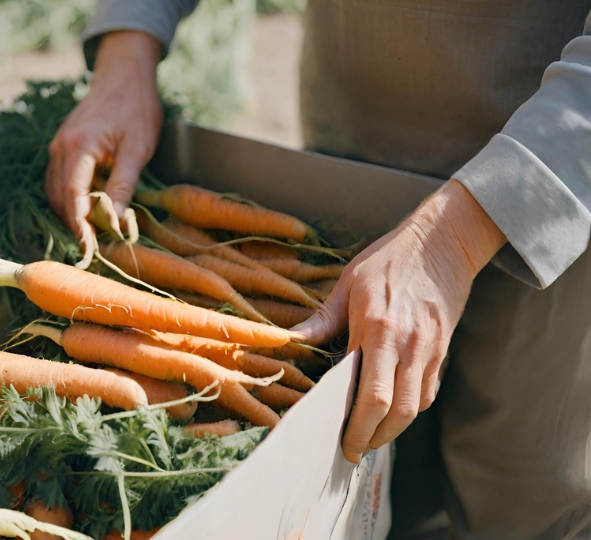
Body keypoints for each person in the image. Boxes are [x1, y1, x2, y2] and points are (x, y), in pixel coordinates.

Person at [44, 2, 591, 539]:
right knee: (379, 496)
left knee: (524, 505)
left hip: (546, 202)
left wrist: (449, 242)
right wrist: (128, 47)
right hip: (348, 172)